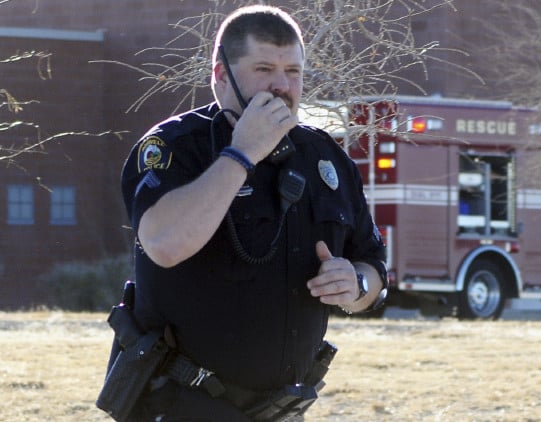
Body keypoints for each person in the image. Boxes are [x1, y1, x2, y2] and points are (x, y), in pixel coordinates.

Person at [118, 5, 387, 420]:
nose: (282, 86)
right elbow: (164, 244)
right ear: (221, 75)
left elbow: (373, 267)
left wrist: (355, 285)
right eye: (264, 69)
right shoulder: (175, 147)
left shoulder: (325, 157)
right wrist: (242, 153)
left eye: (293, 72)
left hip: (282, 409)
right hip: (181, 404)